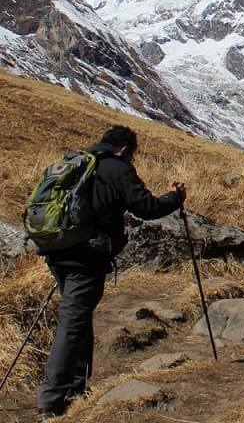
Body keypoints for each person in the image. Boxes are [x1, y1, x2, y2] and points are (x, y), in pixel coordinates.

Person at [37, 126, 186, 420]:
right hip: (86, 256)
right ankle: (51, 399)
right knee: (72, 321)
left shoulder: (75, 163)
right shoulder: (118, 169)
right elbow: (146, 207)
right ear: (126, 149)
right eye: (134, 153)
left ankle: (76, 386)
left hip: (57, 250)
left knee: (78, 316)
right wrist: (174, 197)